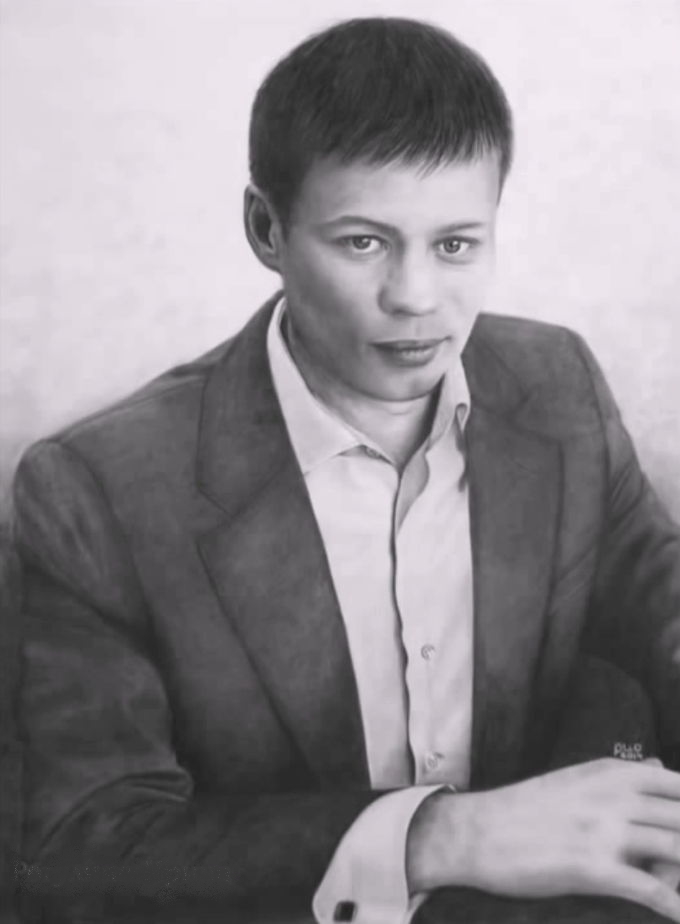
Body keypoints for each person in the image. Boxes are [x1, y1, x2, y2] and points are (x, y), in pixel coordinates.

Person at [11, 15, 680, 924]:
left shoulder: (557, 383)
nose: (416, 298)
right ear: (266, 229)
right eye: (364, 241)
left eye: (456, 244)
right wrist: (439, 836)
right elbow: (81, 856)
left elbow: (663, 612)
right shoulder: (93, 491)